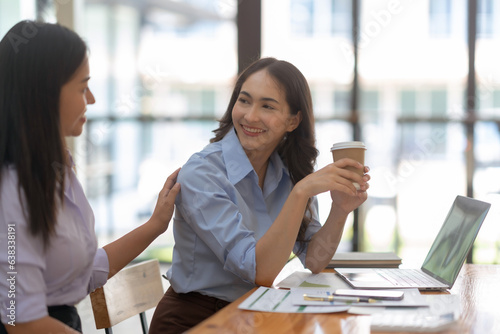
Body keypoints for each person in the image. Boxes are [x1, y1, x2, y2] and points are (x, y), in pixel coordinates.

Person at [149, 57, 370, 333]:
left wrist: (340, 210)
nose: (250, 116)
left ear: (293, 120)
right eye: (244, 101)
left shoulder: (287, 171)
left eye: (267, 106)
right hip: (196, 321)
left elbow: (314, 260)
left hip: (254, 313)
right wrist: (301, 192)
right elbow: (258, 272)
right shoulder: (203, 173)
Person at [0, 21, 180, 334]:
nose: (93, 99)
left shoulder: (57, 172)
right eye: (83, 87)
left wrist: (156, 225)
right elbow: (22, 322)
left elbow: (84, 274)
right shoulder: (11, 194)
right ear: (44, 94)